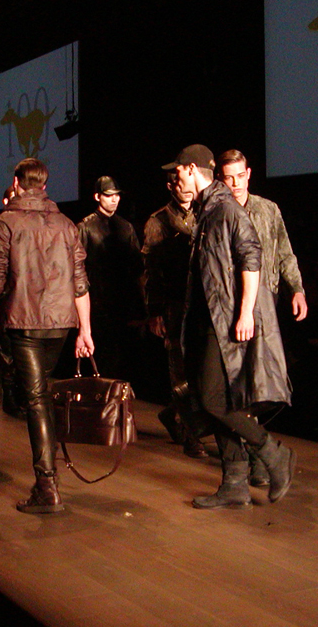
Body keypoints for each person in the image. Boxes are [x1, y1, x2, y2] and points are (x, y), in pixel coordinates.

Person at [164, 144, 295, 509]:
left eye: (178, 171)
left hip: (224, 322)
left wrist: (245, 313)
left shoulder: (225, 209)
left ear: (192, 169)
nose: (175, 178)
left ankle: (274, 454)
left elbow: (252, 257)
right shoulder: (209, 208)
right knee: (215, 400)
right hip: (209, 318)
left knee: (213, 400)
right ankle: (235, 482)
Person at [0, 157, 94, 514]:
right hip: (60, 324)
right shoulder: (66, 224)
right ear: (45, 185)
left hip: (24, 323)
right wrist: (85, 329)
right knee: (42, 396)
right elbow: (80, 282)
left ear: (16, 183)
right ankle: (48, 480)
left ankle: (47, 486)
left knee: (37, 399)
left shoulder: (6, 222)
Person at [217, 148, 308, 485]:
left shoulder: (268, 210)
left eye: (240, 176)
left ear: (249, 174)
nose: (235, 183)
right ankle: (255, 454)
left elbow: (284, 252)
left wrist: (296, 289)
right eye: (229, 177)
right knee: (237, 384)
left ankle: (259, 452)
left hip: (266, 304)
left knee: (264, 384)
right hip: (231, 307)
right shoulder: (218, 213)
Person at [142, 171, 207, 458]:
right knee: (180, 369)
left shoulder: (204, 213)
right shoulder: (159, 221)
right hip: (175, 304)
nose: (186, 188)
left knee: (202, 369)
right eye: (179, 184)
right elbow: (151, 271)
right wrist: (155, 312)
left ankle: (174, 414)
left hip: (201, 303)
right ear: (170, 186)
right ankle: (193, 435)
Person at [77, 176, 142, 380]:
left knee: (123, 362)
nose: (114, 199)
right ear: (97, 197)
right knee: (101, 361)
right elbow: (77, 269)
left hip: (122, 305)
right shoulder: (85, 227)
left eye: (117, 195)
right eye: (109, 195)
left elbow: (137, 268)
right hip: (97, 305)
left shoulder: (125, 227)